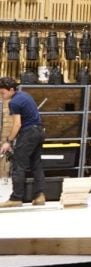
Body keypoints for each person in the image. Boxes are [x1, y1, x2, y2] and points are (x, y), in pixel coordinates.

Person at [1, 76, 46, 207]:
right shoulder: (25, 95)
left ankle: (16, 198)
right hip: (38, 131)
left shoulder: (14, 102)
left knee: (18, 165)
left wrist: (8, 141)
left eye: (3, 93)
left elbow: (17, 124)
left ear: (11, 90)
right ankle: (39, 196)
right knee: (36, 164)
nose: (2, 96)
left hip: (28, 133)